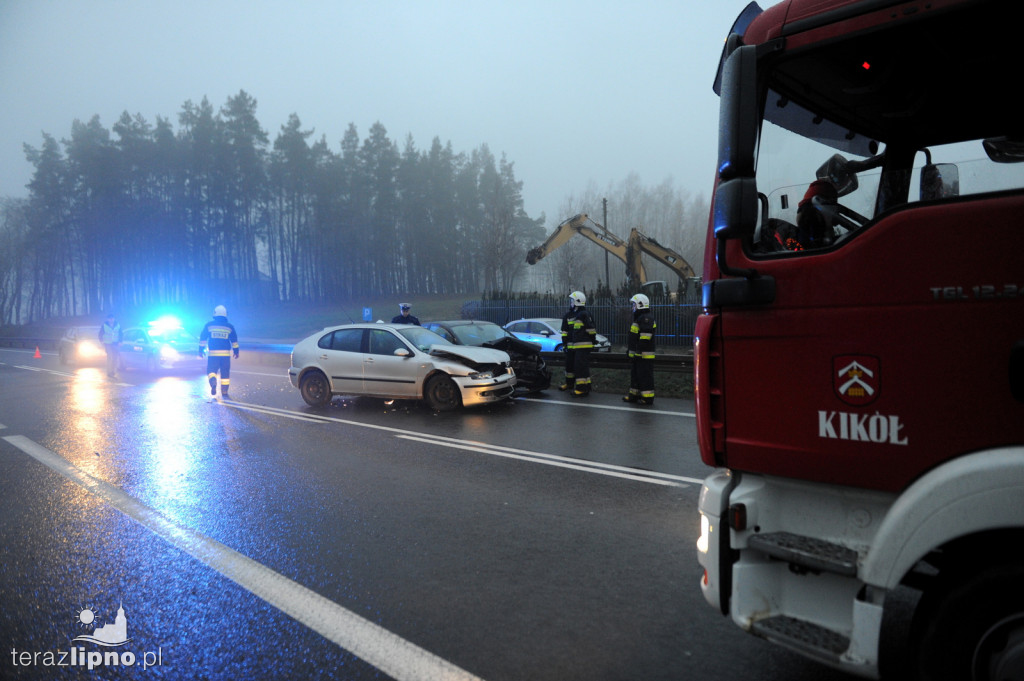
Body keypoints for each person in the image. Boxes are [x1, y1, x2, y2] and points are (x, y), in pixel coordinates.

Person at [199, 305, 239, 400]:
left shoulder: (209, 325)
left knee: (211, 371)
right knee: (225, 374)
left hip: (213, 354)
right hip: (225, 355)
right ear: (225, 315)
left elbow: (203, 339)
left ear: (215, 314)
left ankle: (213, 382)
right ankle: (224, 391)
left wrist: (200, 350)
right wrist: (236, 351)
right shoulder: (230, 327)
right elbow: (234, 341)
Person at [623, 293, 656, 405]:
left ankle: (647, 398)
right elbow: (634, 338)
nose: (633, 307)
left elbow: (645, 338)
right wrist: (631, 352)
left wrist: (637, 350)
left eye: (634, 305)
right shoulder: (639, 318)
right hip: (638, 355)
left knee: (645, 377)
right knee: (635, 376)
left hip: (644, 355)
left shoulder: (646, 318)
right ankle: (634, 395)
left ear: (640, 305)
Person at [563, 291, 596, 397]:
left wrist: (593, 340)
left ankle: (582, 388)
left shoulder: (583, 314)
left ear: (577, 302)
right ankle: (579, 386)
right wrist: (565, 344)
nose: (570, 303)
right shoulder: (569, 315)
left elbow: (591, 329)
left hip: (582, 346)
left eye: (572, 301)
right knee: (573, 366)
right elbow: (565, 332)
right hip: (574, 346)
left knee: (580, 367)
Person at [99, 313, 122, 378]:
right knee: (110, 357)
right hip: (108, 344)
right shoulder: (104, 325)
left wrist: (120, 341)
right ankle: (109, 372)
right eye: (110, 318)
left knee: (115, 358)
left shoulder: (118, 325)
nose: (111, 320)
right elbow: (100, 333)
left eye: (112, 318)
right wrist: (102, 341)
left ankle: (113, 371)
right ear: (108, 319)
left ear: (114, 319)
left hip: (116, 343)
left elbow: (120, 333)